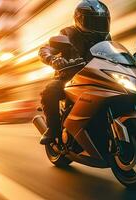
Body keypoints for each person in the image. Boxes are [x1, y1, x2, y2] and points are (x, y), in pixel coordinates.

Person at [38, 0, 112, 144]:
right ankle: (53, 129)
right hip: (70, 77)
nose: (97, 26)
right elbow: (45, 49)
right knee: (49, 91)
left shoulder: (106, 38)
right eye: (92, 21)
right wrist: (52, 58)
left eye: (101, 22)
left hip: (96, 76)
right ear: (79, 19)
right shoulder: (68, 33)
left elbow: (113, 52)